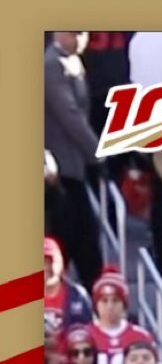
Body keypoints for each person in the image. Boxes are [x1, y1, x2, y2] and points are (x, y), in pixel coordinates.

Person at [43, 33, 102, 292]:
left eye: (83, 32)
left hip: (73, 168)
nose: (79, 38)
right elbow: (69, 115)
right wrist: (97, 152)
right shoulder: (52, 65)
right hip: (57, 171)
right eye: (73, 31)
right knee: (63, 245)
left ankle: (96, 300)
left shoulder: (73, 61)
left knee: (84, 243)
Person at [43, 236, 92, 344]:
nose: (46, 268)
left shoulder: (78, 295)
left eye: (51, 261)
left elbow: (91, 333)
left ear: (61, 263)